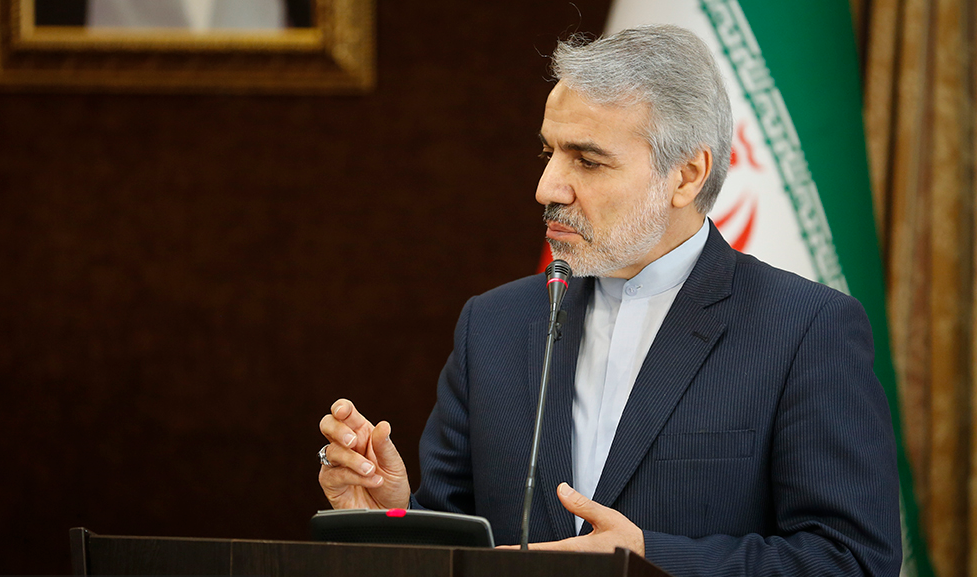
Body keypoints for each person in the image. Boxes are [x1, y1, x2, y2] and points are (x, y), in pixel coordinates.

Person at [317, 25, 901, 576]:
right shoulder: (491, 325)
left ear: (686, 176)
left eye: (588, 160)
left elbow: (852, 560)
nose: (546, 188)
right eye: (548, 152)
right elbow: (464, 544)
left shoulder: (806, 330)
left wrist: (648, 558)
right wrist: (392, 520)